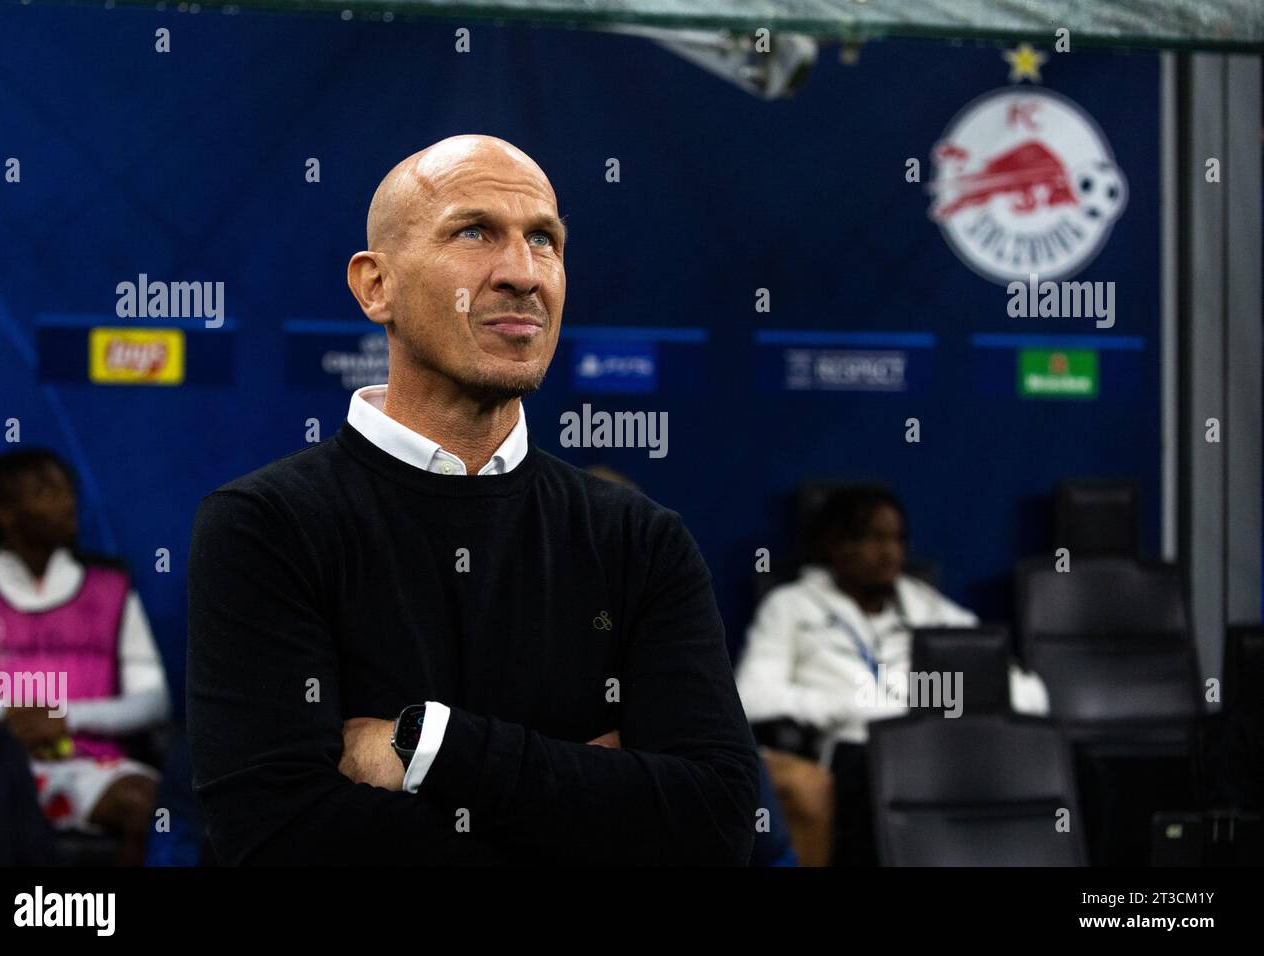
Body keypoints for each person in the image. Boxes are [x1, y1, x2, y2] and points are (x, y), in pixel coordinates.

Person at [186, 134, 759, 865]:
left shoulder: (639, 539)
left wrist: (429, 745)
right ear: (375, 287)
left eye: (544, 240)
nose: (522, 273)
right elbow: (277, 840)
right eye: (474, 232)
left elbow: (714, 826)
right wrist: (591, 792)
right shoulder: (266, 526)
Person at [734, 484, 1048, 865]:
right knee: (880, 776)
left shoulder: (924, 604)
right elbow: (751, 697)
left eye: (898, 539)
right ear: (835, 545)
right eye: (874, 539)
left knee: (1079, 770)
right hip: (857, 748)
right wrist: (845, 707)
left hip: (944, 739)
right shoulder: (791, 606)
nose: (890, 553)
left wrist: (969, 701)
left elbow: (1017, 682)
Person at [0, 449, 171, 865]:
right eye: (46, 491)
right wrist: (7, 719)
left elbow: (154, 702)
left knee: (146, 803)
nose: (67, 501)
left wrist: (63, 718)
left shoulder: (109, 588)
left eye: (66, 489)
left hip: (85, 766)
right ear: (6, 514)